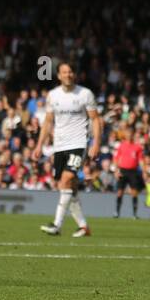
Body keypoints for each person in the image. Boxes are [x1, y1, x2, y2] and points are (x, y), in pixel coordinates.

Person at [34, 61, 101, 237]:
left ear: (74, 74)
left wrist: (96, 144)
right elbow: (48, 122)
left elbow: (95, 119)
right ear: (59, 75)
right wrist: (39, 145)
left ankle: (56, 225)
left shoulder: (85, 94)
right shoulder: (53, 96)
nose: (68, 75)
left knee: (66, 179)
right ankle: (84, 226)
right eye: (64, 72)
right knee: (69, 187)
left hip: (78, 143)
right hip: (60, 146)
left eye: (71, 72)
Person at [112, 127, 150, 219]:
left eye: (130, 133)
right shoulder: (122, 145)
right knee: (120, 192)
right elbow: (116, 158)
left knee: (134, 192)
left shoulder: (137, 147)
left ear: (133, 135)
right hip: (123, 171)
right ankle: (116, 212)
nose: (129, 135)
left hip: (133, 172)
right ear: (125, 135)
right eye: (128, 133)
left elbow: (141, 160)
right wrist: (116, 170)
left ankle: (134, 214)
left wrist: (144, 172)